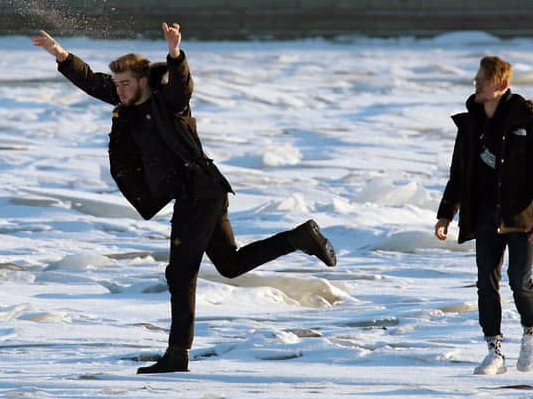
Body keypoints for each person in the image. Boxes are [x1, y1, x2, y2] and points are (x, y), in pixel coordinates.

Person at [32, 23, 336, 374]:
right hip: (201, 193)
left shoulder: (169, 104)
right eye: (117, 84)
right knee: (230, 265)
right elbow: (91, 81)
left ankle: (177, 355)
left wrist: (175, 55)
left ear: (144, 81)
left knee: (180, 274)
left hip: (200, 193)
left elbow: (181, 86)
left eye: (126, 83)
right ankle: (299, 237)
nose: (119, 90)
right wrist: (61, 55)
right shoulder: (125, 100)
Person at [434, 56, 533, 375]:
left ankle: (531, 335)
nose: (476, 84)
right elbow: (458, 174)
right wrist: (446, 214)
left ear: (500, 85)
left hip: (520, 215)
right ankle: (494, 351)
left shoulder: (526, 120)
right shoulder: (470, 124)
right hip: (485, 215)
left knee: (519, 280)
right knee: (485, 284)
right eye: (476, 79)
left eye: (482, 80)